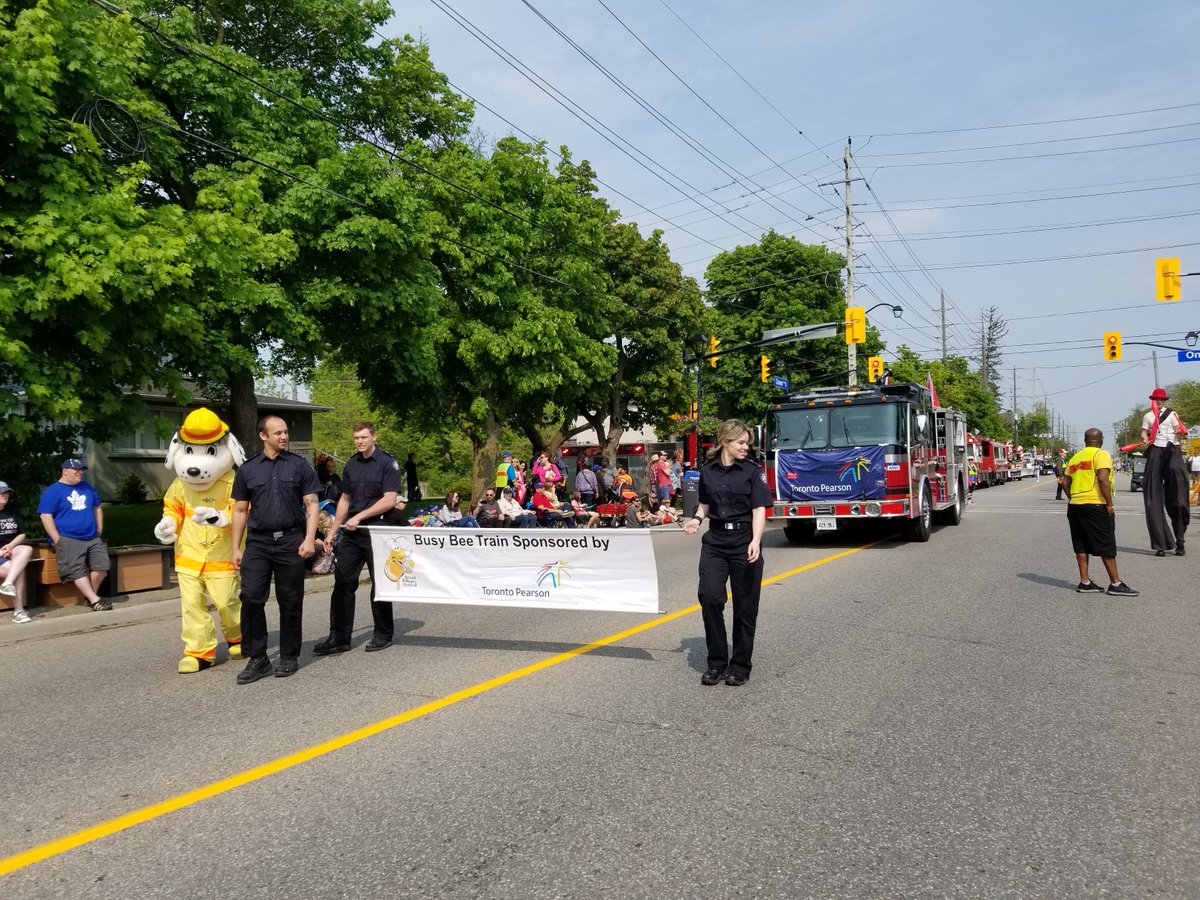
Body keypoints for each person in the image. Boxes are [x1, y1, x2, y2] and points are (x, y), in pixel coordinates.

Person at [681, 419, 771, 687]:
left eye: (747, 443)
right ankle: (717, 662)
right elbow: (705, 503)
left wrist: (756, 540)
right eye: (741, 442)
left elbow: (758, 509)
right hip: (716, 542)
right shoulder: (707, 471)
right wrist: (696, 519)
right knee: (709, 597)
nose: (746, 447)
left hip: (744, 541)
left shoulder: (752, 472)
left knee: (745, 606)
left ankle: (740, 665)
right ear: (725, 442)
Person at [230, 416, 320, 683]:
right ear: (263, 436)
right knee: (251, 597)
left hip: (291, 541)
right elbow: (239, 509)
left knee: (290, 601)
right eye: (277, 433)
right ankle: (258, 658)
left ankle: (289, 655)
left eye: (285, 432)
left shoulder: (299, 466)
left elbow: (312, 505)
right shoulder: (247, 470)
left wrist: (309, 539)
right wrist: (235, 546)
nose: (284, 436)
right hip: (258, 543)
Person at [315, 421, 401, 658]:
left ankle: (383, 634)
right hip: (353, 531)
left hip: (378, 528)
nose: (360, 441)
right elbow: (345, 499)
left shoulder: (387, 463)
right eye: (356, 438)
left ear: (374, 436)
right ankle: (338, 638)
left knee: (379, 584)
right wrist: (332, 532)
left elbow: (390, 500)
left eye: (364, 437)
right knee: (343, 582)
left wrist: (361, 516)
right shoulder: (352, 464)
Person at [1064, 428, 1138, 596]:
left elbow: (1065, 483)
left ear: (1085, 440)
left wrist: (1074, 497)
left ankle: (1085, 582)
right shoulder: (1101, 454)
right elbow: (1103, 479)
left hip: (1075, 505)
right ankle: (1115, 583)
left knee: (1080, 544)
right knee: (1106, 542)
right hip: (1096, 505)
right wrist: (1109, 504)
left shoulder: (1075, 458)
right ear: (1101, 440)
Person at [37, 458, 111, 612]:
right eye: (76, 470)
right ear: (65, 471)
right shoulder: (53, 491)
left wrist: (99, 529)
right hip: (68, 537)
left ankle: (90, 596)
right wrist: (57, 538)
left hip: (91, 536)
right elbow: (45, 516)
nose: (80, 472)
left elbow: (97, 507)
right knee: (76, 570)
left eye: (81, 469)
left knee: (102, 567)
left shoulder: (87, 487)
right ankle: (94, 600)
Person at [1140, 387, 1189, 556]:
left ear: (1165, 401)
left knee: (1179, 497)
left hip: (1172, 450)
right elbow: (1143, 432)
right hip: (1155, 450)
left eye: (1161, 399)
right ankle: (1160, 544)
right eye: (1156, 399)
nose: (1159, 402)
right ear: (1153, 400)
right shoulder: (1148, 416)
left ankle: (1180, 541)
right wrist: (1146, 439)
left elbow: (1181, 430)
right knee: (1152, 498)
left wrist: (1180, 431)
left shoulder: (1172, 414)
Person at [0, 482, 35, 623]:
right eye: (1, 492)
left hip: (9, 551)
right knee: (18, 571)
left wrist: (10, 546)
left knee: (27, 548)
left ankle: (7, 583)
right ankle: (19, 611)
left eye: (6, 492)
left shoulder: (12, 511)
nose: (5, 495)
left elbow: (22, 534)